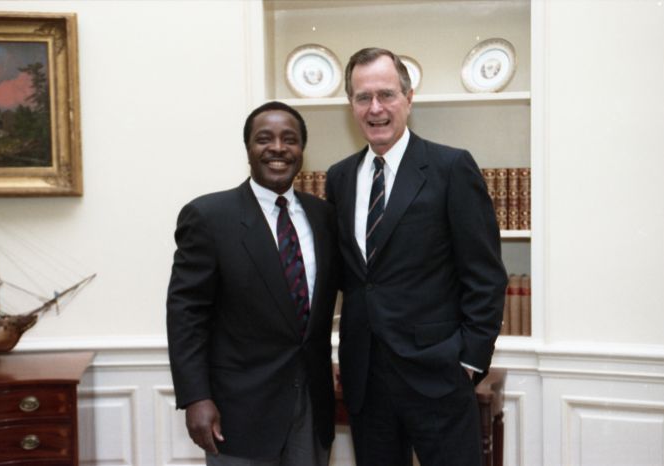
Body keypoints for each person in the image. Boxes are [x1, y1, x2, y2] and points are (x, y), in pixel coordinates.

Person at [325, 47, 508, 466]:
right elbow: (351, 278)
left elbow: (485, 276)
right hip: (365, 383)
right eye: (362, 97)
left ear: (408, 98)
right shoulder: (339, 178)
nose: (375, 108)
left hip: (439, 377)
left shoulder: (450, 168)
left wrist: (468, 362)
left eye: (386, 94)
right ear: (351, 105)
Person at [167, 101, 339, 466]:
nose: (278, 148)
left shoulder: (323, 216)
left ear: (301, 151)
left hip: (312, 407)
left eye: (289, 139)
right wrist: (195, 397)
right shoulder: (209, 217)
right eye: (265, 139)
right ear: (248, 148)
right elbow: (186, 315)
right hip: (239, 413)